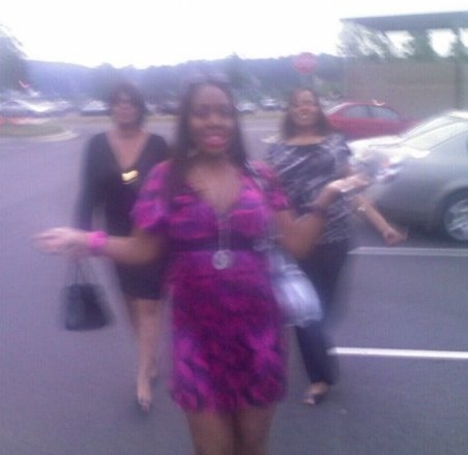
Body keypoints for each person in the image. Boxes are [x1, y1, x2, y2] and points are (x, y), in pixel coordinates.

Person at [36, 78, 367, 455]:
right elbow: (143, 249)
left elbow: (298, 244)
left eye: (223, 112)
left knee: (252, 448)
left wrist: (327, 197)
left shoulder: (260, 176)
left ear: (234, 120)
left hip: (258, 336)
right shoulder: (166, 178)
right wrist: (86, 241)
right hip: (197, 340)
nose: (214, 121)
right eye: (202, 112)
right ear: (186, 120)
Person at [266, 87, 406, 406]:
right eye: (297, 104)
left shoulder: (333, 144)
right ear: (290, 110)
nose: (304, 108)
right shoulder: (276, 149)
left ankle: (316, 350)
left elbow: (353, 189)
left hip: (336, 237)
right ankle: (320, 378)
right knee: (305, 310)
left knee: (325, 310)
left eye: (310, 103)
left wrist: (383, 226)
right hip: (296, 238)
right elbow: (269, 196)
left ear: (318, 109)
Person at [75, 81, 169, 412]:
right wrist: (80, 234)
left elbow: (174, 188)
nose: (124, 106)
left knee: (149, 305)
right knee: (131, 302)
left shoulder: (158, 145)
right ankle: (149, 357)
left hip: (154, 235)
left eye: (130, 102)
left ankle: (143, 376)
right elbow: (88, 192)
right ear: (111, 107)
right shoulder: (97, 145)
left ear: (139, 107)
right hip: (116, 237)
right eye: (118, 102)